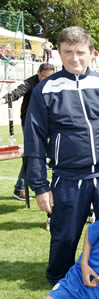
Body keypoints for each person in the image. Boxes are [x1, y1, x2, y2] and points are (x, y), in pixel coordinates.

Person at [24, 26, 99, 285]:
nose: (74, 58)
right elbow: (33, 140)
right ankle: (60, 285)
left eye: (80, 52)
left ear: (91, 53)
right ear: (59, 53)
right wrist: (40, 187)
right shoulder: (45, 90)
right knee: (65, 237)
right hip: (67, 178)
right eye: (68, 52)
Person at [1, 63, 56, 200]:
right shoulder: (30, 83)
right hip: (30, 123)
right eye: (44, 78)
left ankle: (54, 186)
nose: (47, 81)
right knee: (32, 154)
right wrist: (3, 100)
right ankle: (20, 188)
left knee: (49, 152)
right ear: (38, 73)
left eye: (50, 77)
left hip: (49, 122)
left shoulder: (54, 83)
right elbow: (17, 93)